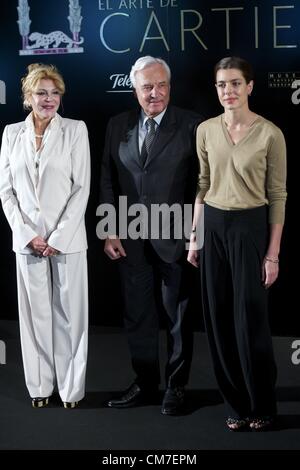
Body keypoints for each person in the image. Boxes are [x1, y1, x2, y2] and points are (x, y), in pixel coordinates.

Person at [188, 56, 287, 430]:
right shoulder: (206, 130)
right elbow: (202, 185)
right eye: (221, 85)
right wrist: (194, 238)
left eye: (234, 83)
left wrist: (273, 254)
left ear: (250, 86)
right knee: (218, 318)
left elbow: (277, 195)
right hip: (212, 225)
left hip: (250, 227)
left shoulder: (270, 134)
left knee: (251, 321)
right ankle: (237, 404)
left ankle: (263, 405)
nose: (227, 91)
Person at [100, 56, 202, 415]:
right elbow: (108, 179)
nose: (154, 93)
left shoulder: (191, 125)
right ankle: (145, 383)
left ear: (170, 87)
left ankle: (176, 386)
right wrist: (109, 228)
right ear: (135, 90)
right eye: (147, 86)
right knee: (138, 315)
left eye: (161, 85)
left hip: (176, 236)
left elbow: (201, 186)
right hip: (130, 239)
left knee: (177, 316)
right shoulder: (117, 125)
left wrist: (195, 234)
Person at [0, 64, 90, 409]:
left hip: (67, 241)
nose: (49, 99)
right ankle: (40, 387)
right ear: (28, 97)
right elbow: (6, 192)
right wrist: (27, 234)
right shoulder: (11, 134)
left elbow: (81, 187)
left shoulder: (75, 130)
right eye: (41, 93)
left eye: (55, 93)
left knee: (70, 316)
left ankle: (70, 391)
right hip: (28, 242)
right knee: (34, 316)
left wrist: (58, 235)